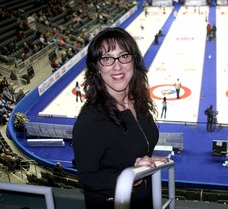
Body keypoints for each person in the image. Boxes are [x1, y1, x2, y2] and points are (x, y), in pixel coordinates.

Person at [72, 27, 168, 209]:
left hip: (145, 200)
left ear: (134, 61)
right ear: (97, 68)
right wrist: (132, 177)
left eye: (124, 56)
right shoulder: (92, 119)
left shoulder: (137, 100)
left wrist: (146, 157)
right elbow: (88, 177)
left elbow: (124, 148)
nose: (117, 66)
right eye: (107, 59)